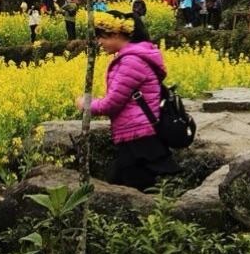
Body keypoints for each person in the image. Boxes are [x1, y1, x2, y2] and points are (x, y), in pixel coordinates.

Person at [74, 10, 179, 191]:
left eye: (102, 37)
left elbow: (112, 103)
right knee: (126, 187)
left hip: (138, 136)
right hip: (136, 133)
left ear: (116, 34)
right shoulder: (133, 57)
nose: (99, 42)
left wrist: (86, 104)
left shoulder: (131, 61)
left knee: (131, 191)